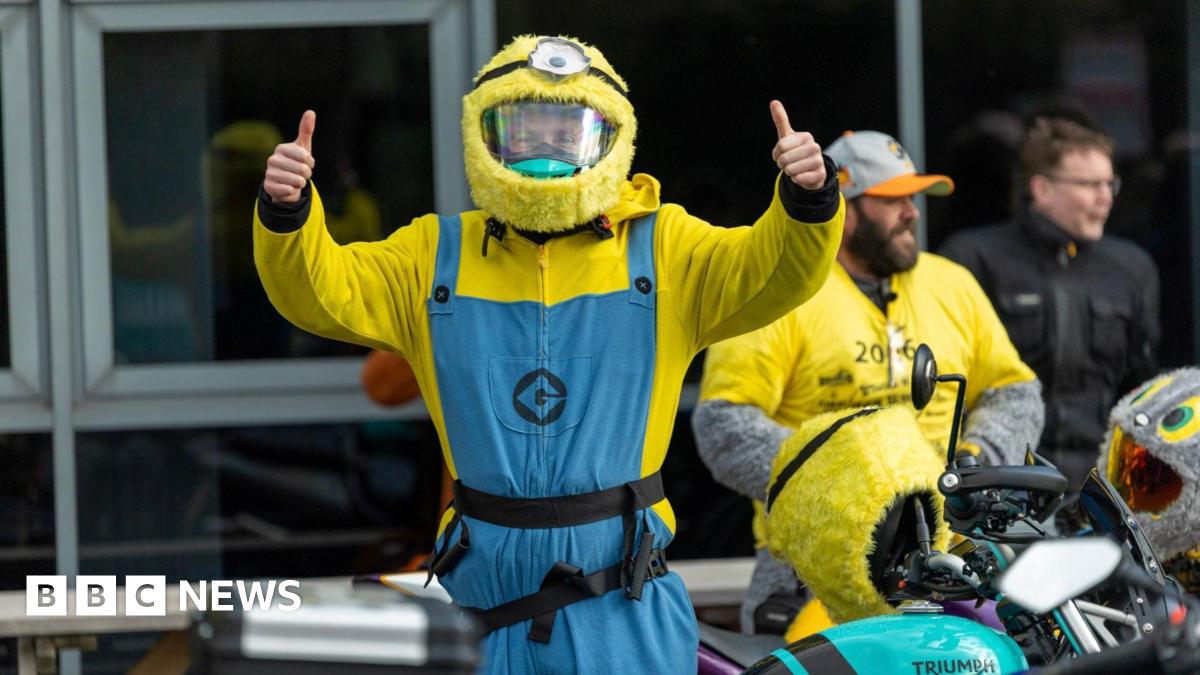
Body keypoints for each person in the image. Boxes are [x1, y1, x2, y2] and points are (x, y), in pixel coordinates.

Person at [253, 35, 844, 674]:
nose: (546, 147)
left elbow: (771, 270)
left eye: (568, 131)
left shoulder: (662, 248)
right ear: (484, 135)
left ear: (611, 137)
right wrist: (288, 213)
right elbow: (322, 292)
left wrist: (806, 201)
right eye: (524, 129)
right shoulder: (434, 255)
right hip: (478, 602)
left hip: (621, 607)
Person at [693, 130, 1043, 635]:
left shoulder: (952, 283)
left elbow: (1015, 391)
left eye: (914, 198)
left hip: (956, 557)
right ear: (845, 208)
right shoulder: (780, 289)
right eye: (893, 200)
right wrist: (849, 485)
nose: (912, 213)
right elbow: (723, 425)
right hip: (812, 569)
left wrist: (974, 461)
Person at [940, 116, 1160, 490]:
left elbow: (1143, 390)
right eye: (1090, 184)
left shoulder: (1132, 268)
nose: (1105, 197)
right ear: (1042, 190)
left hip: (1102, 486)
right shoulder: (972, 259)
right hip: (1005, 484)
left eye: (1110, 183)